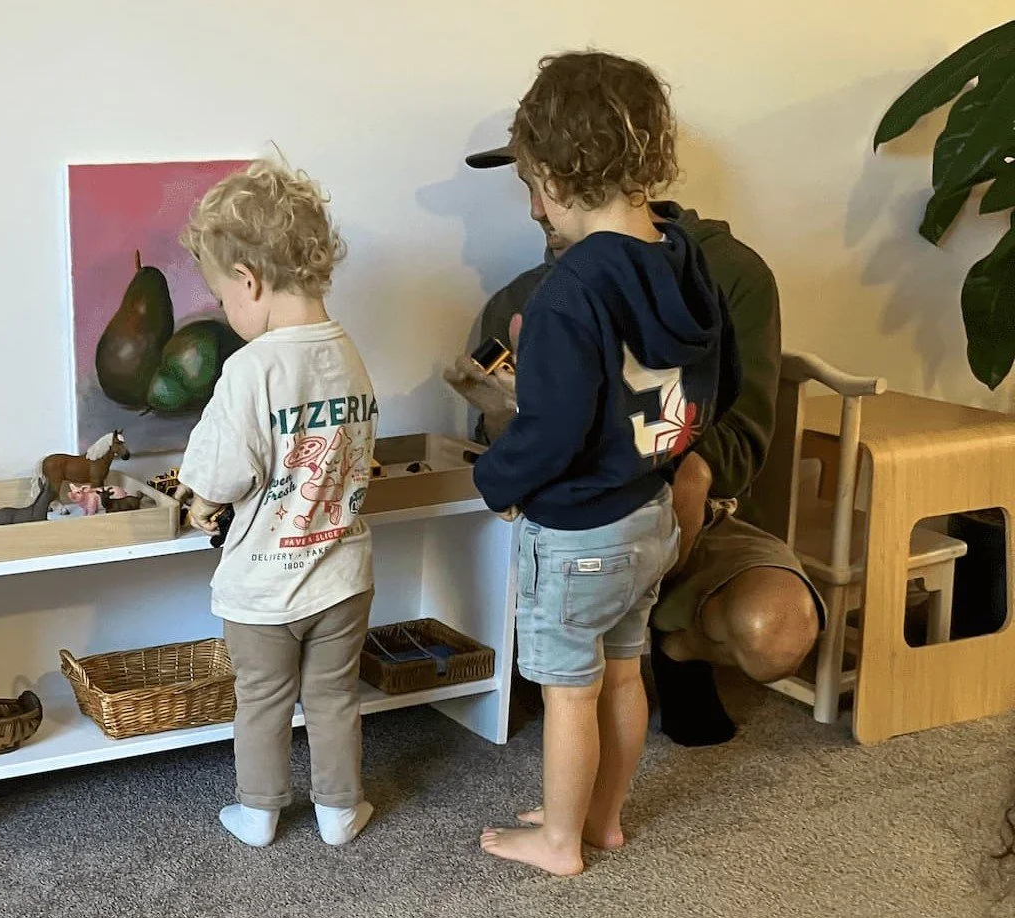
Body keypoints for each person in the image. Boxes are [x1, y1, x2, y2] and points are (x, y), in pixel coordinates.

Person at [453, 88, 821, 753]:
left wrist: (688, 482)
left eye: (544, 182)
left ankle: (678, 648)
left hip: (684, 518)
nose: (534, 206)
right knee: (589, 658)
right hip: (583, 524)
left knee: (777, 630)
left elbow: (742, 419)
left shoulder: (726, 272)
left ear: (591, 173)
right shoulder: (520, 301)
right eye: (528, 184)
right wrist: (499, 409)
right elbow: (510, 442)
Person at [465, 51, 737, 876]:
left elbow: (549, 431)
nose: (533, 202)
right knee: (623, 674)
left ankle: (559, 841)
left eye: (529, 183)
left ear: (550, 174)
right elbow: (722, 385)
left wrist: (496, 481)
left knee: (568, 691)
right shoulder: (686, 258)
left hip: (579, 527)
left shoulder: (568, 289)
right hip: (650, 516)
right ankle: (602, 818)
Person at [175, 158, 379, 848]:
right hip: (343, 574)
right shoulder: (347, 353)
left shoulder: (252, 368)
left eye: (219, 296)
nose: (224, 313)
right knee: (333, 698)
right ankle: (339, 811)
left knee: (261, 701)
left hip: (265, 583)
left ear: (248, 282)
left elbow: (221, 473)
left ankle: (259, 813)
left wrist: (200, 500)